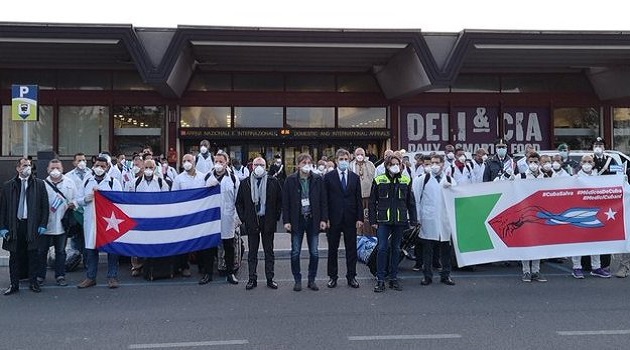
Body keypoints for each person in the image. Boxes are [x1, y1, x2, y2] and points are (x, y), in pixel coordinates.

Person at [1, 158, 49, 295]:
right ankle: (14, 284)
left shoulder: (39, 184)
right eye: (24, 165)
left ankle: (33, 283)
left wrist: (43, 224)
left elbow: (44, 207)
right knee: (14, 256)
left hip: (32, 225)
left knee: (33, 255)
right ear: (18, 168)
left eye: (29, 165)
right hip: (14, 225)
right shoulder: (8, 185)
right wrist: (2, 227)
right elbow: (3, 208)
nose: (27, 167)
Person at [369, 154, 417, 292]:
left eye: (397, 163)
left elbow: (410, 202)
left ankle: (393, 278)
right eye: (392, 164)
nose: (395, 166)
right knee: (382, 248)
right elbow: (372, 202)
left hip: (400, 221)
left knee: (396, 249)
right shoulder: (379, 180)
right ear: (387, 166)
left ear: (401, 165)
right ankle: (380, 280)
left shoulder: (406, 180)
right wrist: (373, 220)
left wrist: (413, 220)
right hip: (383, 221)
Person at [283, 153, 328, 291]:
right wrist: (286, 221)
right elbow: (286, 203)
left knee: (314, 252)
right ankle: (297, 279)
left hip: (313, 219)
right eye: (303, 163)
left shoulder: (318, 179)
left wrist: (323, 219)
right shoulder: (290, 180)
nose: (306, 165)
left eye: (309, 162)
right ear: (298, 165)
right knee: (295, 252)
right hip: (297, 220)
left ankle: (311, 279)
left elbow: (323, 201)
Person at [76, 156, 123, 289]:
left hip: (110, 221)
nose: (99, 168)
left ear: (107, 167)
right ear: (93, 166)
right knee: (91, 249)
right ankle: (91, 277)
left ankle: (112, 277)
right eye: (97, 166)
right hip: (91, 220)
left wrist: (105, 197)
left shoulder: (113, 182)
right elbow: (78, 199)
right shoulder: (87, 181)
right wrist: (87, 198)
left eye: (103, 166)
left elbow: (120, 201)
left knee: (112, 249)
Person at [236, 157, 282, 290]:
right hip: (252, 221)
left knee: (269, 252)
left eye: (261, 164)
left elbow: (280, 200)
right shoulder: (245, 183)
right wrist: (244, 218)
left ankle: (270, 278)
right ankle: (252, 279)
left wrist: (275, 217)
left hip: (267, 221)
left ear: (266, 166)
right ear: (252, 166)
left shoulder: (273, 182)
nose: (259, 166)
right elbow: (239, 202)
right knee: (252, 253)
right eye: (256, 164)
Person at [413, 154, 456, 286]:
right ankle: (427, 276)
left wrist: (452, 190)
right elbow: (416, 199)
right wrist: (418, 218)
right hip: (428, 218)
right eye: (432, 163)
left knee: (445, 249)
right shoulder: (423, 179)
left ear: (443, 164)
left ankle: (446, 275)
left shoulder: (450, 180)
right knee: (427, 249)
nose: (434, 165)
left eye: (437, 162)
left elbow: (457, 200)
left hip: (445, 220)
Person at [199, 152, 240, 286]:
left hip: (227, 217)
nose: (218, 164)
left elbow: (237, 201)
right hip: (210, 219)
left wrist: (236, 219)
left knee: (229, 246)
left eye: (221, 161)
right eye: (216, 161)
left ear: (226, 162)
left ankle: (230, 273)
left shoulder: (233, 179)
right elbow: (200, 199)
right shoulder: (206, 178)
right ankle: (208, 273)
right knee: (209, 247)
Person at [324, 149, 363, 289]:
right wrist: (325, 217)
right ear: (336, 160)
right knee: (332, 248)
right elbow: (325, 200)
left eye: (346, 159)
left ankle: (351, 276)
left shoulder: (354, 177)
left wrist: (360, 217)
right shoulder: (328, 177)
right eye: (341, 159)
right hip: (333, 219)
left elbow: (358, 199)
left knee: (351, 249)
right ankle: (332, 277)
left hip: (350, 217)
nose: (343, 162)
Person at [570, 154, 611, 279]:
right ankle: (576, 268)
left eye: (589, 161)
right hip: (579, 213)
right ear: (581, 163)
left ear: (593, 164)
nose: (587, 163)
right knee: (577, 243)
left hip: (595, 213)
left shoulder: (597, 178)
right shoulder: (574, 178)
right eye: (584, 161)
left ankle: (596, 267)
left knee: (595, 241)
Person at [38, 159, 78, 287]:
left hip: (62, 224)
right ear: (48, 170)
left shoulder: (70, 183)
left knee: (60, 251)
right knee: (42, 251)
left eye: (58, 168)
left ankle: (60, 276)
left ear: (62, 169)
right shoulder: (41, 184)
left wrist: (73, 205)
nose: (55, 171)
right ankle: (40, 276)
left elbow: (76, 200)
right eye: (52, 168)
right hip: (45, 225)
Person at [514, 152, 548, 282]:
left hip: (539, 214)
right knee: (526, 242)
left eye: (535, 161)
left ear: (539, 163)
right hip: (524, 214)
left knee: (537, 243)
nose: (533, 164)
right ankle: (526, 271)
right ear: (527, 163)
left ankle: (536, 270)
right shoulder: (521, 176)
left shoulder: (544, 177)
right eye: (531, 162)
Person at [171, 154, 207, 278]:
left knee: (201, 241)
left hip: (199, 214)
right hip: (184, 215)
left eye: (189, 160)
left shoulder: (203, 177)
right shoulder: (178, 179)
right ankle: (184, 266)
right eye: (184, 161)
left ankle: (202, 266)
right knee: (184, 242)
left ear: (194, 162)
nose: (187, 162)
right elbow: (174, 197)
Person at [65, 153, 91, 260]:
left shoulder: (92, 174)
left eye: (84, 160)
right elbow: (66, 193)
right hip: (75, 210)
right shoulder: (68, 176)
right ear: (74, 162)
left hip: (89, 209)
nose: (82, 163)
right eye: (79, 160)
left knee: (88, 237)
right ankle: (74, 259)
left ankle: (87, 260)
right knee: (76, 236)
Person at [349, 147, 376, 235]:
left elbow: (373, 177)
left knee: (368, 216)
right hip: (357, 196)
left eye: (362, 154)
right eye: (358, 154)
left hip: (369, 195)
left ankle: (369, 234)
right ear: (354, 155)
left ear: (365, 155)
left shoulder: (370, 164)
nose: (360, 156)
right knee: (358, 216)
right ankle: (358, 234)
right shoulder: (351, 165)